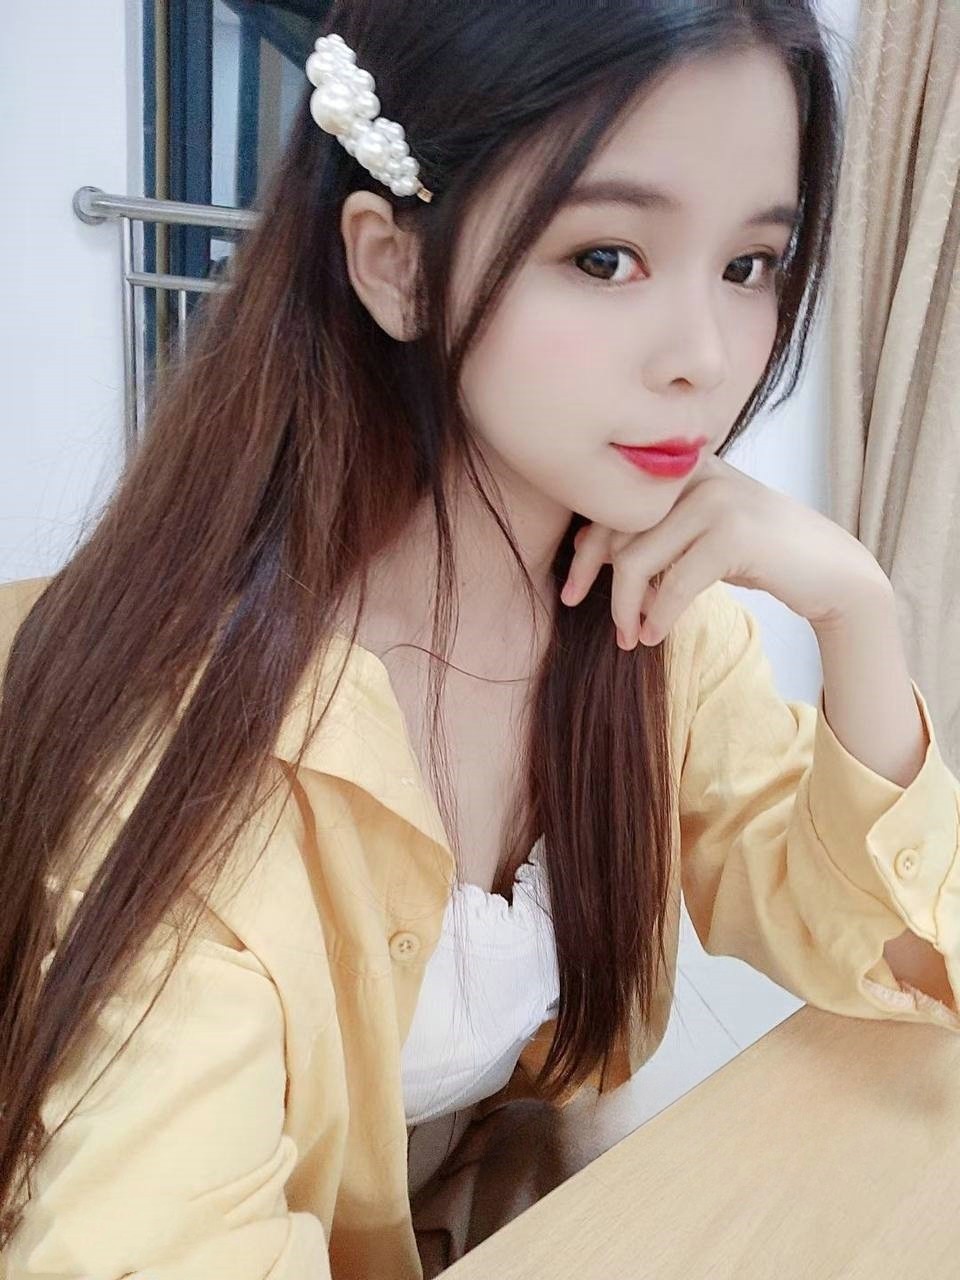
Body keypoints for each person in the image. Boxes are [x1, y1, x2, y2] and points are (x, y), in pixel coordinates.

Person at [1, 3, 958, 1277]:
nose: (706, 356)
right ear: (395, 264)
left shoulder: (652, 620)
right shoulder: (204, 737)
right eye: (607, 256)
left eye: (749, 265)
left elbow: (891, 952)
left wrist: (858, 613)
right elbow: (146, 1244)